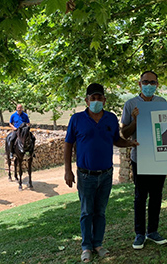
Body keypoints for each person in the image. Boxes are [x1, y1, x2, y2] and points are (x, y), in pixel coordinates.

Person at [64, 83, 138, 263]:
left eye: (99, 98)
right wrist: (67, 171)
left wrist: (129, 144)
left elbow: (117, 140)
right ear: (86, 100)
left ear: (104, 100)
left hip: (106, 174)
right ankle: (86, 247)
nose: (96, 101)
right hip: (85, 174)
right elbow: (68, 145)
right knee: (86, 212)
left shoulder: (111, 118)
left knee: (100, 212)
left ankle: (98, 244)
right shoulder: (76, 119)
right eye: (93, 98)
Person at [121, 71, 167, 249]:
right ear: (139, 84)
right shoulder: (130, 104)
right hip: (139, 158)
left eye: (153, 82)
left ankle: (153, 231)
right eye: (145, 82)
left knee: (157, 196)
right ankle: (139, 233)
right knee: (140, 197)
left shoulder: (162, 103)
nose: (149, 85)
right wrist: (135, 120)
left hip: (159, 158)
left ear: (157, 84)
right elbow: (124, 133)